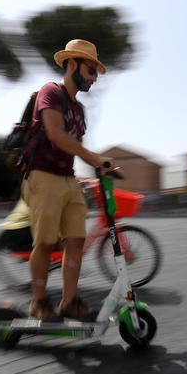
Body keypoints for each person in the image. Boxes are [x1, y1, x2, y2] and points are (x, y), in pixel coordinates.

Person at [22, 39, 114, 321]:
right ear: (71, 64)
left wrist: (105, 165)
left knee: (75, 240)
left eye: (96, 73)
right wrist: (94, 157)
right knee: (46, 242)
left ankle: (69, 301)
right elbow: (56, 135)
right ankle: (39, 303)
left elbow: (78, 148)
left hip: (67, 179)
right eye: (90, 71)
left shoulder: (79, 110)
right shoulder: (50, 92)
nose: (94, 78)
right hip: (42, 176)